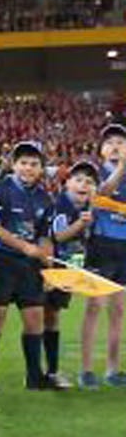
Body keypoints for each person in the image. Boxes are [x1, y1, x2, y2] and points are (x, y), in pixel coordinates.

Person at [0, 139, 55, 394]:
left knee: (35, 320)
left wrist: (48, 261)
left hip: (29, 265)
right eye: (23, 163)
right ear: (13, 165)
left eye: (34, 164)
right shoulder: (0, 190)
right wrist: (26, 247)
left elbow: (44, 235)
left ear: (41, 168)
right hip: (0, 261)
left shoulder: (45, 197)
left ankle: (34, 377)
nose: (28, 168)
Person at [44, 159, 97, 391]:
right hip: (50, 269)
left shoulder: (86, 208)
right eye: (78, 179)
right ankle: (45, 371)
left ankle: (51, 370)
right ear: (67, 184)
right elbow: (58, 236)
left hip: (66, 270)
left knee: (52, 318)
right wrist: (81, 225)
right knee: (41, 318)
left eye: (89, 181)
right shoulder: (61, 205)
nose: (83, 184)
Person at [82, 123, 126, 388]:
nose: (115, 145)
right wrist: (122, 167)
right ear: (101, 150)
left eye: (120, 141)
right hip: (100, 245)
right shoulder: (94, 173)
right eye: (109, 142)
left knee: (119, 310)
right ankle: (86, 370)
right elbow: (101, 195)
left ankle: (112, 369)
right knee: (95, 307)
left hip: (124, 247)